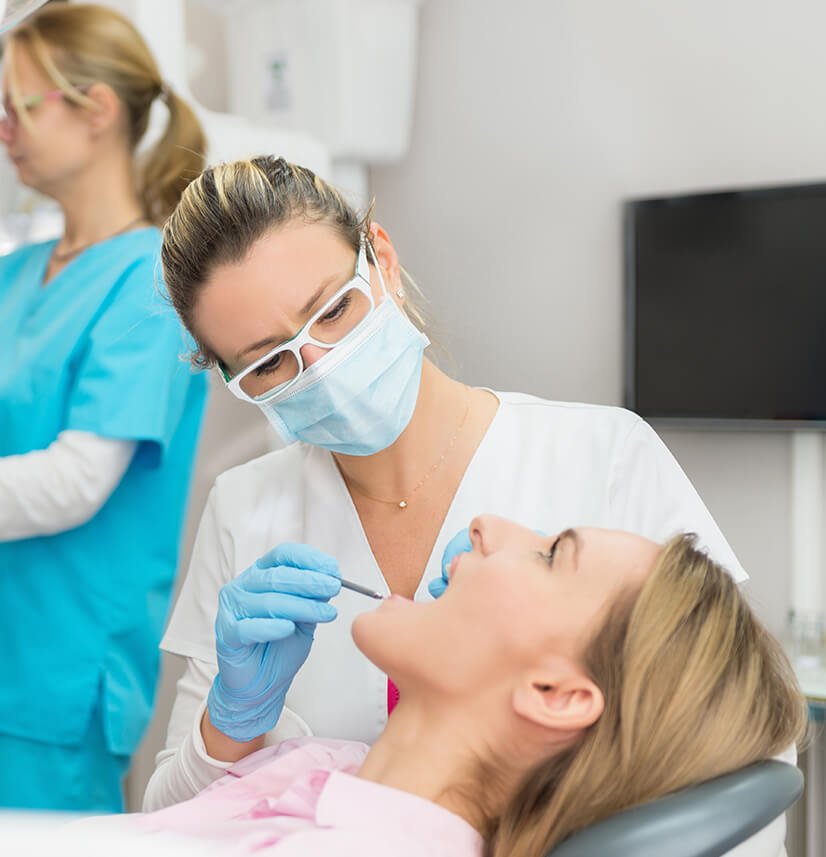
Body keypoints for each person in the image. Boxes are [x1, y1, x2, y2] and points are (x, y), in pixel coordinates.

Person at [145, 155, 747, 810]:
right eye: (269, 363)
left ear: (382, 261)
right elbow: (167, 818)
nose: (320, 368)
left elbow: (738, 750)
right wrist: (230, 723)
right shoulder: (244, 508)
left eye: (334, 310)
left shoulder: (605, 454)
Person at [88, 517, 806, 856]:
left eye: (553, 553)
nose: (486, 525)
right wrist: (235, 723)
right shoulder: (325, 769)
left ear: (556, 691)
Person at [0, 4, 208, 812]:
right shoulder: (16, 274)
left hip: (54, 679)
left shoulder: (150, 281)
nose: (4, 130)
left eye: (18, 108)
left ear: (96, 110)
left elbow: (75, 481)